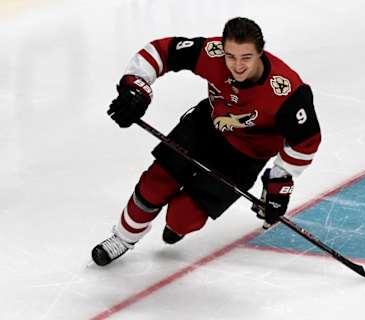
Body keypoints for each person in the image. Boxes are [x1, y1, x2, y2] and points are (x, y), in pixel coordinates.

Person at [91, 17, 321, 266]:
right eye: (231, 56)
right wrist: (136, 87)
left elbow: (306, 140)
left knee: (182, 217)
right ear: (222, 49)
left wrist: (280, 181)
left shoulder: (286, 90)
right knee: (155, 185)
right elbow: (160, 51)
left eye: (246, 57)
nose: (237, 65)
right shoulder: (211, 53)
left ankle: (176, 226)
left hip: (245, 157)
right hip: (205, 128)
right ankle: (122, 239)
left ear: (261, 52)